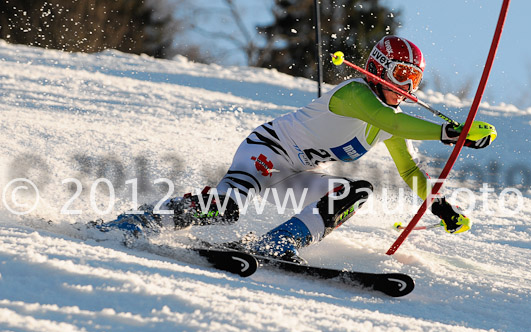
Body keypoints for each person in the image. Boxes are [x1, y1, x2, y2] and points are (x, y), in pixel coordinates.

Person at [103, 36, 497, 264]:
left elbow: (411, 172)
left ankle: (277, 244)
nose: (405, 89)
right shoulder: (357, 94)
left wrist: (441, 208)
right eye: (399, 76)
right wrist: (452, 132)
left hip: (297, 172)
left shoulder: (391, 119)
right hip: (266, 154)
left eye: (413, 80)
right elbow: (394, 122)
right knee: (225, 210)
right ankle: (138, 221)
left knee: (354, 192)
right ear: (377, 69)